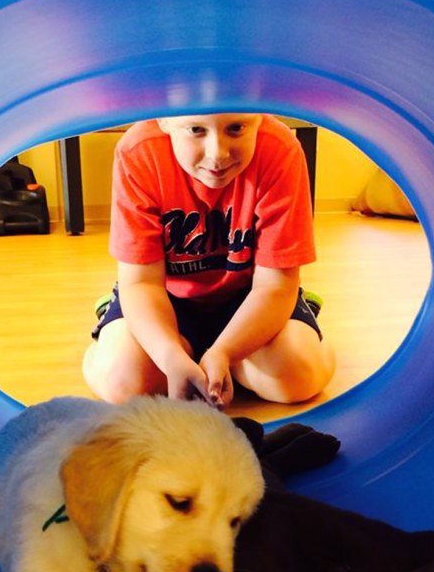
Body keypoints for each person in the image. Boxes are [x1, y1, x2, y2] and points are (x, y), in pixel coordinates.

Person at [82, 113, 335, 409]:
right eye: (196, 130)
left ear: (258, 116)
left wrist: (225, 353)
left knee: (297, 377)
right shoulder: (139, 151)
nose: (218, 154)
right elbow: (141, 283)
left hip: (250, 297)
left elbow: (275, 285)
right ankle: (121, 331)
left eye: (236, 128)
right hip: (165, 295)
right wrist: (169, 356)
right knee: (123, 381)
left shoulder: (280, 149)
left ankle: (245, 349)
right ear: (164, 120)